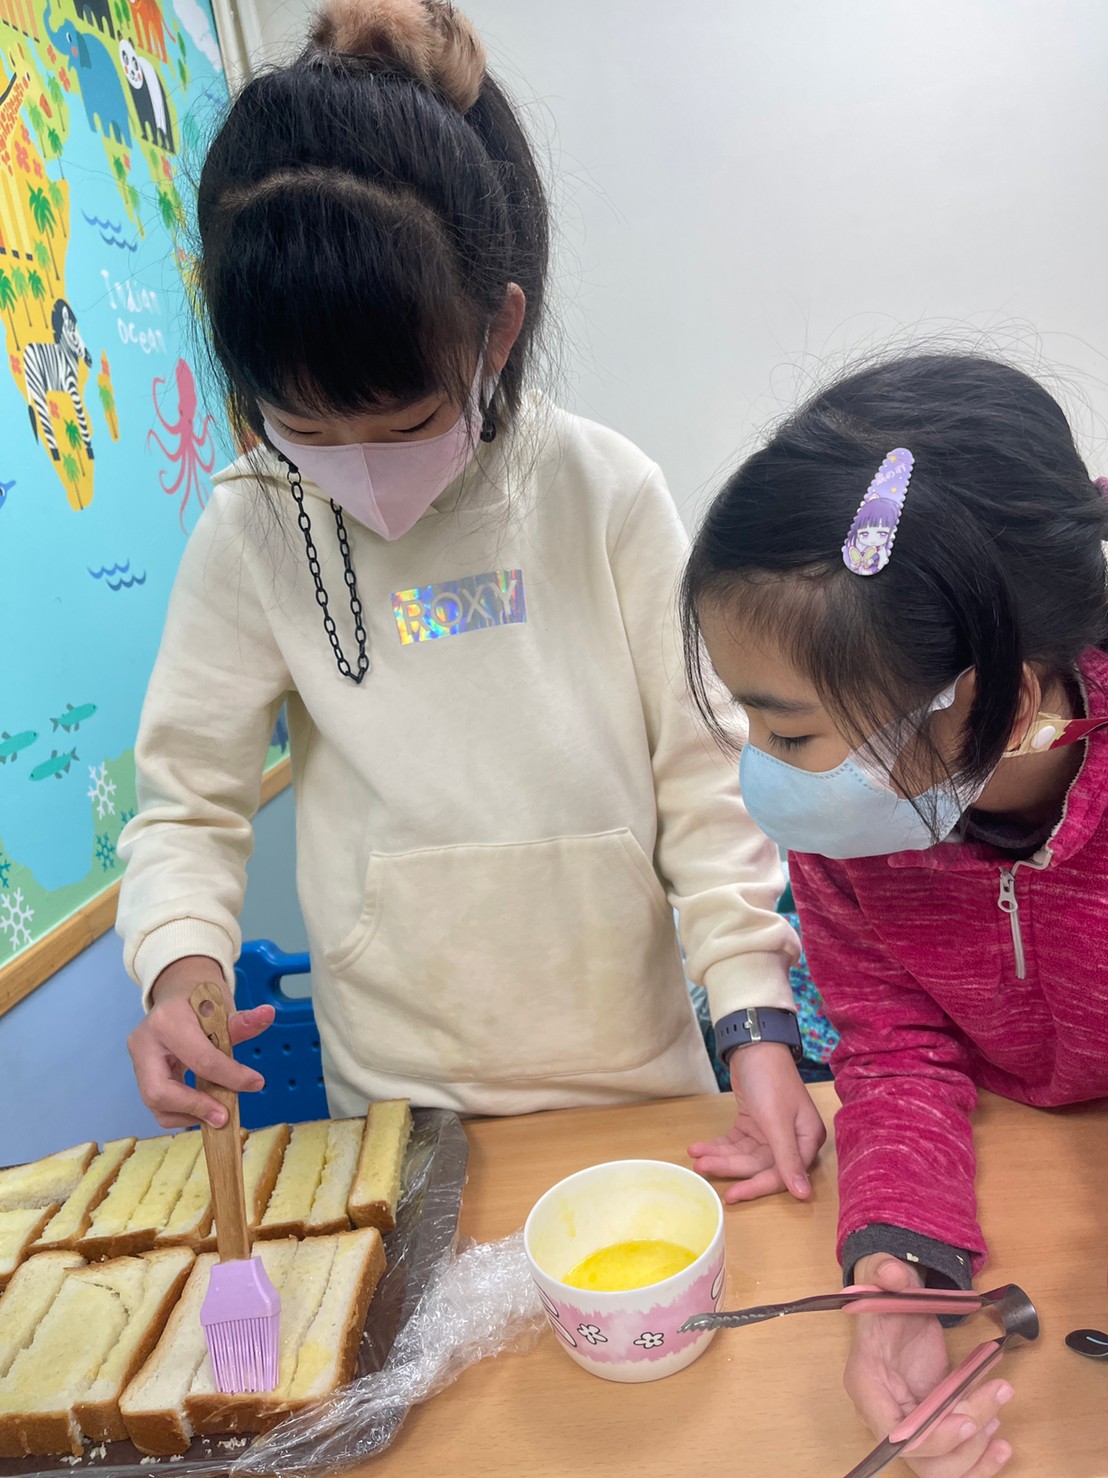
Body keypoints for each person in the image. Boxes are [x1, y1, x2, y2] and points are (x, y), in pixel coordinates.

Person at [118, 0, 806, 1170]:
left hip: (638, 1081)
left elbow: (703, 777)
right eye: (305, 432)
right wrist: (180, 965)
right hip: (400, 1110)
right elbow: (189, 803)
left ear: (496, 331)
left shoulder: (602, 492)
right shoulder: (251, 525)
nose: (361, 472)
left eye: (404, 423)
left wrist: (754, 1022)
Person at [679, 352, 1108, 1478]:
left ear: (996, 704)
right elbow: (894, 1044)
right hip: (1010, 1143)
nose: (763, 769)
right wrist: (900, 1268)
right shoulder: (855, 827)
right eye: (750, 719)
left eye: (791, 732)